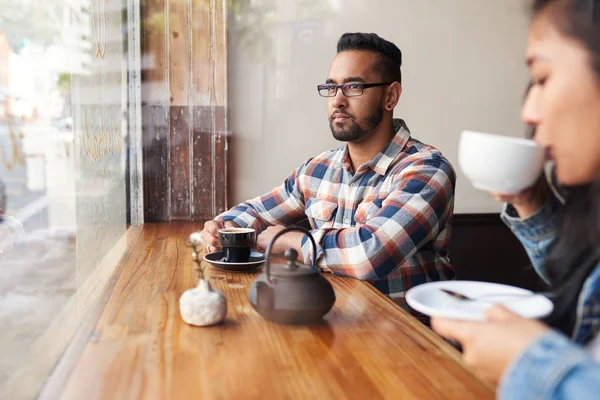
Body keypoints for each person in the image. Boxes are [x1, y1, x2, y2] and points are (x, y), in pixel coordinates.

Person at [201, 32, 456, 315]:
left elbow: (370, 254)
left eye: (354, 87)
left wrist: (294, 241)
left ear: (390, 96)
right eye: (331, 88)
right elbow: (255, 213)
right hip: (331, 328)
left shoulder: (427, 170)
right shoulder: (316, 170)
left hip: (409, 343)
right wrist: (221, 227)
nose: (337, 100)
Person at [432, 0, 600, 398]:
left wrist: (533, 366)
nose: (529, 112)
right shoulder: (320, 165)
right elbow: (581, 286)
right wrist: (530, 199)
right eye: (330, 87)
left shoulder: (424, 167)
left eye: (542, 78)